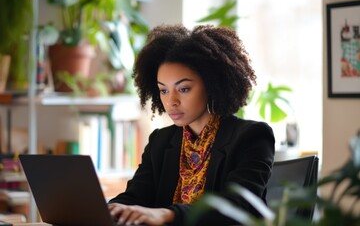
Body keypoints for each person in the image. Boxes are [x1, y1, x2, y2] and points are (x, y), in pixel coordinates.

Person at [108, 24, 275, 226]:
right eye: (163, 90)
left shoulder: (252, 137)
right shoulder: (161, 141)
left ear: (212, 84)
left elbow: (238, 205)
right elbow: (135, 197)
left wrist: (168, 214)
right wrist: (110, 210)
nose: (171, 101)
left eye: (184, 89)